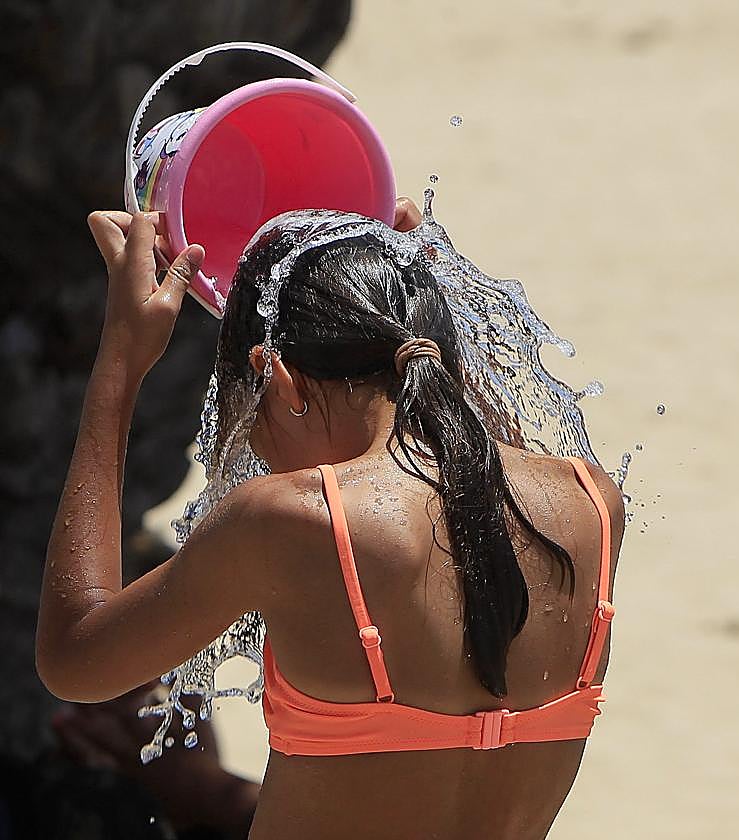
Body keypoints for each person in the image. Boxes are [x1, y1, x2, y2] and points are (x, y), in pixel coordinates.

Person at [36, 197, 624, 840]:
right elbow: (465, 448)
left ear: (279, 380)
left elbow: (74, 656)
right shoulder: (590, 505)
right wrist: (414, 281)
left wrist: (121, 361)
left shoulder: (296, 522)